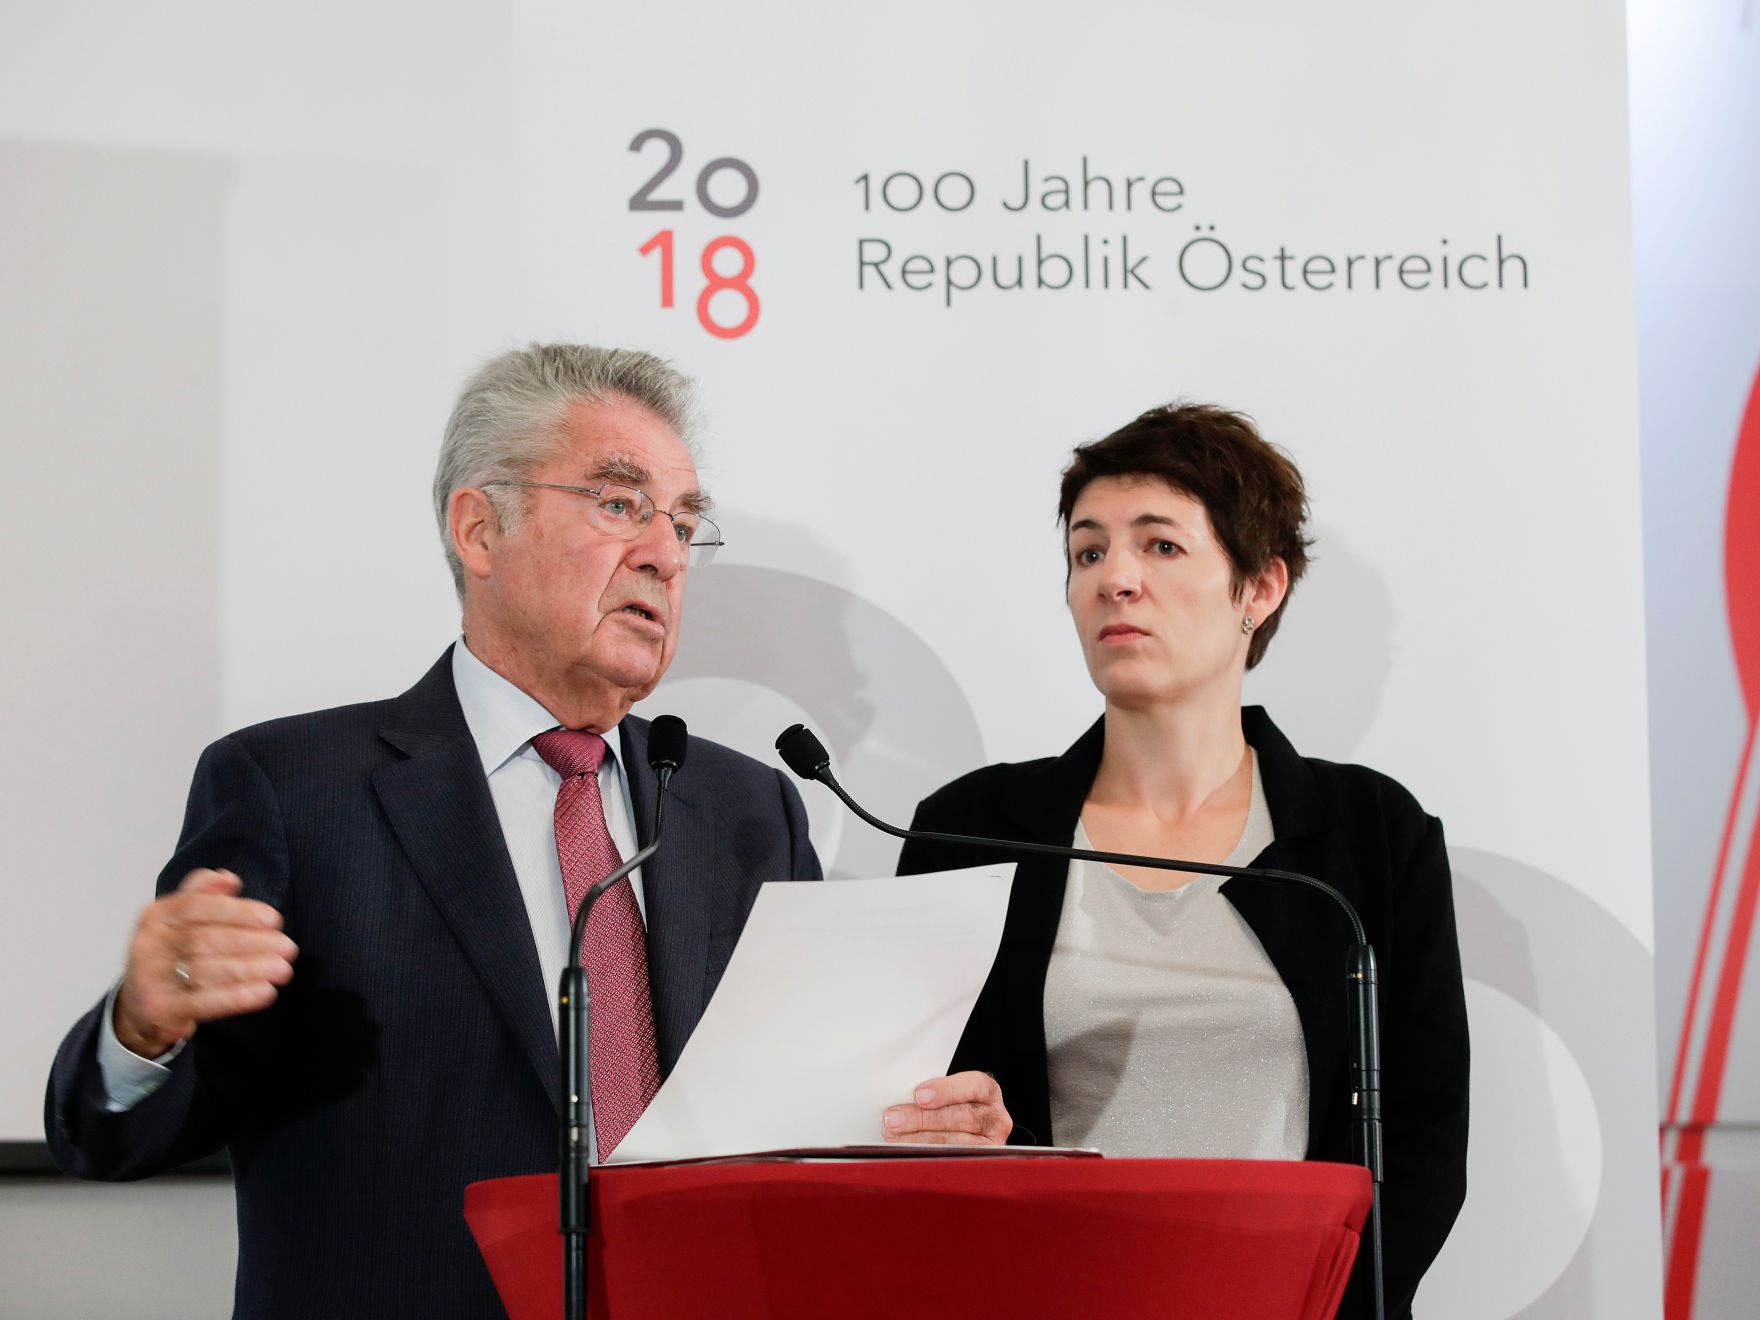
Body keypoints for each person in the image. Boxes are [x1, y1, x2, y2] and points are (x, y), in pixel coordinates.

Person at [43, 344, 992, 1320]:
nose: (664, 553)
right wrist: (144, 1029)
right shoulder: (296, 791)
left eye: (684, 522)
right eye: (620, 504)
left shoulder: (747, 810)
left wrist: (902, 1134)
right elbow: (110, 1141)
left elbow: (789, 1131)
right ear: (479, 527)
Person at [894, 403, 1468, 1320]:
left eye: (1160, 547)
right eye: (1089, 552)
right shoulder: (969, 831)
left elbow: (1425, 1144)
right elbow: (911, 1122)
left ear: (1259, 588)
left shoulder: (1371, 836)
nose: (1115, 578)